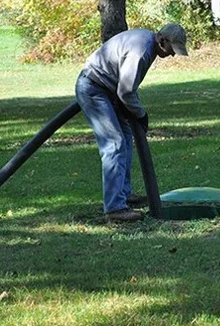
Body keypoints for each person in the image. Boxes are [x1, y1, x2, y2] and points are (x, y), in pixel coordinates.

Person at [75, 23, 188, 222]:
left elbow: (124, 89)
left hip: (107, 90)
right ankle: (115, 209)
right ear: (162, 41)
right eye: (172, 50)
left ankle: (124, 196)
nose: (172, 55)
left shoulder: (147, 43)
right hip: (94, 88)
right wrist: (141, 114)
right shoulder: (141, 51)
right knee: (114, 143)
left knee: (126, 136)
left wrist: (135, 115)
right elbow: (126, 91)